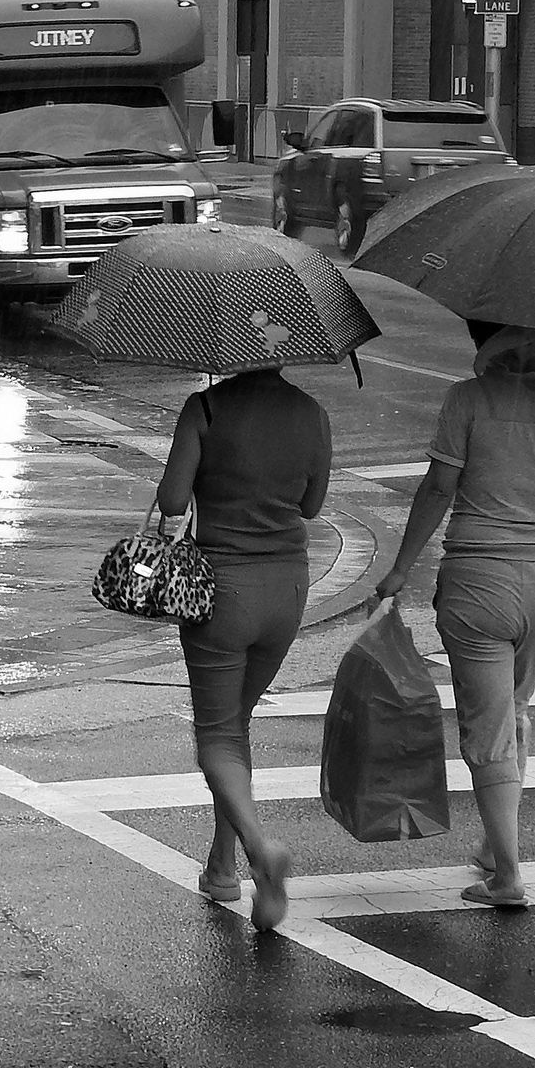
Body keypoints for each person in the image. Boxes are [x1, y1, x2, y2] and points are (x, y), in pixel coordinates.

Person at [377, 320, 535, 909]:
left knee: (486, 728)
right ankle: (494, 842)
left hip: (478, 579)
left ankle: (507, 875)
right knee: (516, 708)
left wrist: (401, 568)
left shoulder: (469, 399)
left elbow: (437, 488)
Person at [157, 363, 333, 930]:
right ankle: (222, 865)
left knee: (217, 735)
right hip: (288, 588)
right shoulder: (312, 414)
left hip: (223, 590)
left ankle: (259, 850)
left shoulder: (204, 409)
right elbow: (311, 507)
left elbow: (172, 498)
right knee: (238, 720)